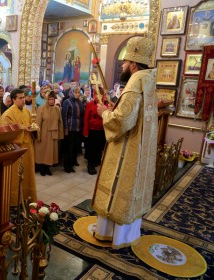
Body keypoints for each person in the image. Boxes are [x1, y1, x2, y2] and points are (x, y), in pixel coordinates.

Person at [92, 36, 158, 249]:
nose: (122, 65)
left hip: (127, 149)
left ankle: (111, 233)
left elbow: (122, 120)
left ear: (134, 64)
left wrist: (104, 113)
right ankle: (127, 234)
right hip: (140, 151)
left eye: (125, 61)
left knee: (118, 188)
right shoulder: (149, 80)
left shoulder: (135, 81)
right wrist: (116, 107)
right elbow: (133, 113)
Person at [1, 89, 37, 206]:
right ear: (13, 100)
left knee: (28, 174)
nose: (23, 100)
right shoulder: (7, 114)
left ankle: (27, 197)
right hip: (16, 149)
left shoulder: (27, 111)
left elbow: (31, 125)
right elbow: (6, 133)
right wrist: (22, 128)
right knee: (16, 176)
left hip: (28, 147)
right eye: (20, 98)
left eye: (23, 97)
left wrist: (34, 128)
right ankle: (14, 200)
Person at [35, 92, 64, 176]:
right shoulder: (41, 108)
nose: (51, 101)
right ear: (46, 100)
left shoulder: (57, 109)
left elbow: (60, 122)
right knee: (42, 151)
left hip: (53, 134)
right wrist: (38, 135)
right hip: (44, 134)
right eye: (49, 99)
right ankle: (42, 168)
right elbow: (38, 123)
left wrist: (60, 134)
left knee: (50, 153)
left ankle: (47, 167)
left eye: (52, 99)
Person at [83, 87, 106, 175]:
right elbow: (86, 119)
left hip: (102, 130)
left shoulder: (105, 104)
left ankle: (96, 162)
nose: (98, 96)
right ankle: (90, 166)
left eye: (100, 94)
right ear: (94, 95)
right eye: (96, 94)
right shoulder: (90, 104)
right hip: (92, 131)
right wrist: (85, 132)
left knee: (99, 149)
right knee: (91, 150)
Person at [61, 86, 84, 173]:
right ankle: (67, 166)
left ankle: (73, 162)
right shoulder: (67, 102)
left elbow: (81, 116)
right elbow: (64, 116)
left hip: (78, 129)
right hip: (70, 129)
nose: (77, 94)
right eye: (76, 92)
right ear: (72, 93)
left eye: (78, 93)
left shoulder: (80, 102)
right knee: (69, 148)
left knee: (75, 147)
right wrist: (65, 129)